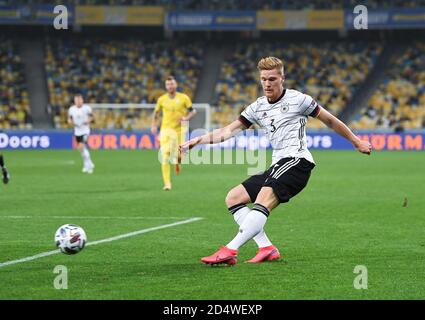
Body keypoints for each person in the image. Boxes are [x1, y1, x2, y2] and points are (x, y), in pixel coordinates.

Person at [180, 57, 372, 265]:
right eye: (263, 79)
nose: (267, 83)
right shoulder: (257, 107)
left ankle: (230, 249)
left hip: (297, 162)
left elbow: (330, 120)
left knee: (263, 198)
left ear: (282, 79)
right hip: (278, 165)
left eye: (272, 78)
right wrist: (198, 139)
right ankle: (266, 248)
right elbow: (228, 131)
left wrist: (356, 141)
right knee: (234, 198)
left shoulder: (299, 100)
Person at [151, 76, 197, 190]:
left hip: (180, 130)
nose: (170, 86)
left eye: (172, 84)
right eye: (168, 84)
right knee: (165, 155)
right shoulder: (161, 99)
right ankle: (167, 183)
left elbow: (193, 111)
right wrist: (153, 125)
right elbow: (156, 113)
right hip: (165, 130)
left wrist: (186, 118)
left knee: (179, 154)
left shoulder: (184, 98)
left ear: (175, 85)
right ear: (166, 86)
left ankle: (178, 162)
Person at [68, 94, 95, 174]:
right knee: (81, 149)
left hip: (85, 130)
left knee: (81, 146)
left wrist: (88, 121)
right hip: (77, 131)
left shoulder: (87, 108)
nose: (78, 101)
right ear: (74, 101)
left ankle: (89, 167)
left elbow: (91, 117)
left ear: (82, 100)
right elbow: (70, 119)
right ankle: (88, 163)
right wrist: (70, 122)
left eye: (79, 100)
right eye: (76, 100)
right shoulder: (71, 109)